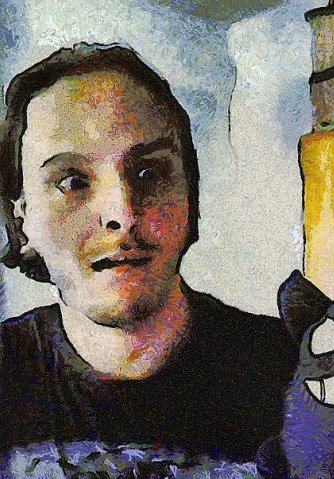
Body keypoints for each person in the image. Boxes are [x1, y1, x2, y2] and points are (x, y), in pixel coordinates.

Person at [0, 43, 297, 462]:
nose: (123, 214)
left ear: (189, 193)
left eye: (149, 172)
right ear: (23, 219)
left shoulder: (294, 370)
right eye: (72, 182)